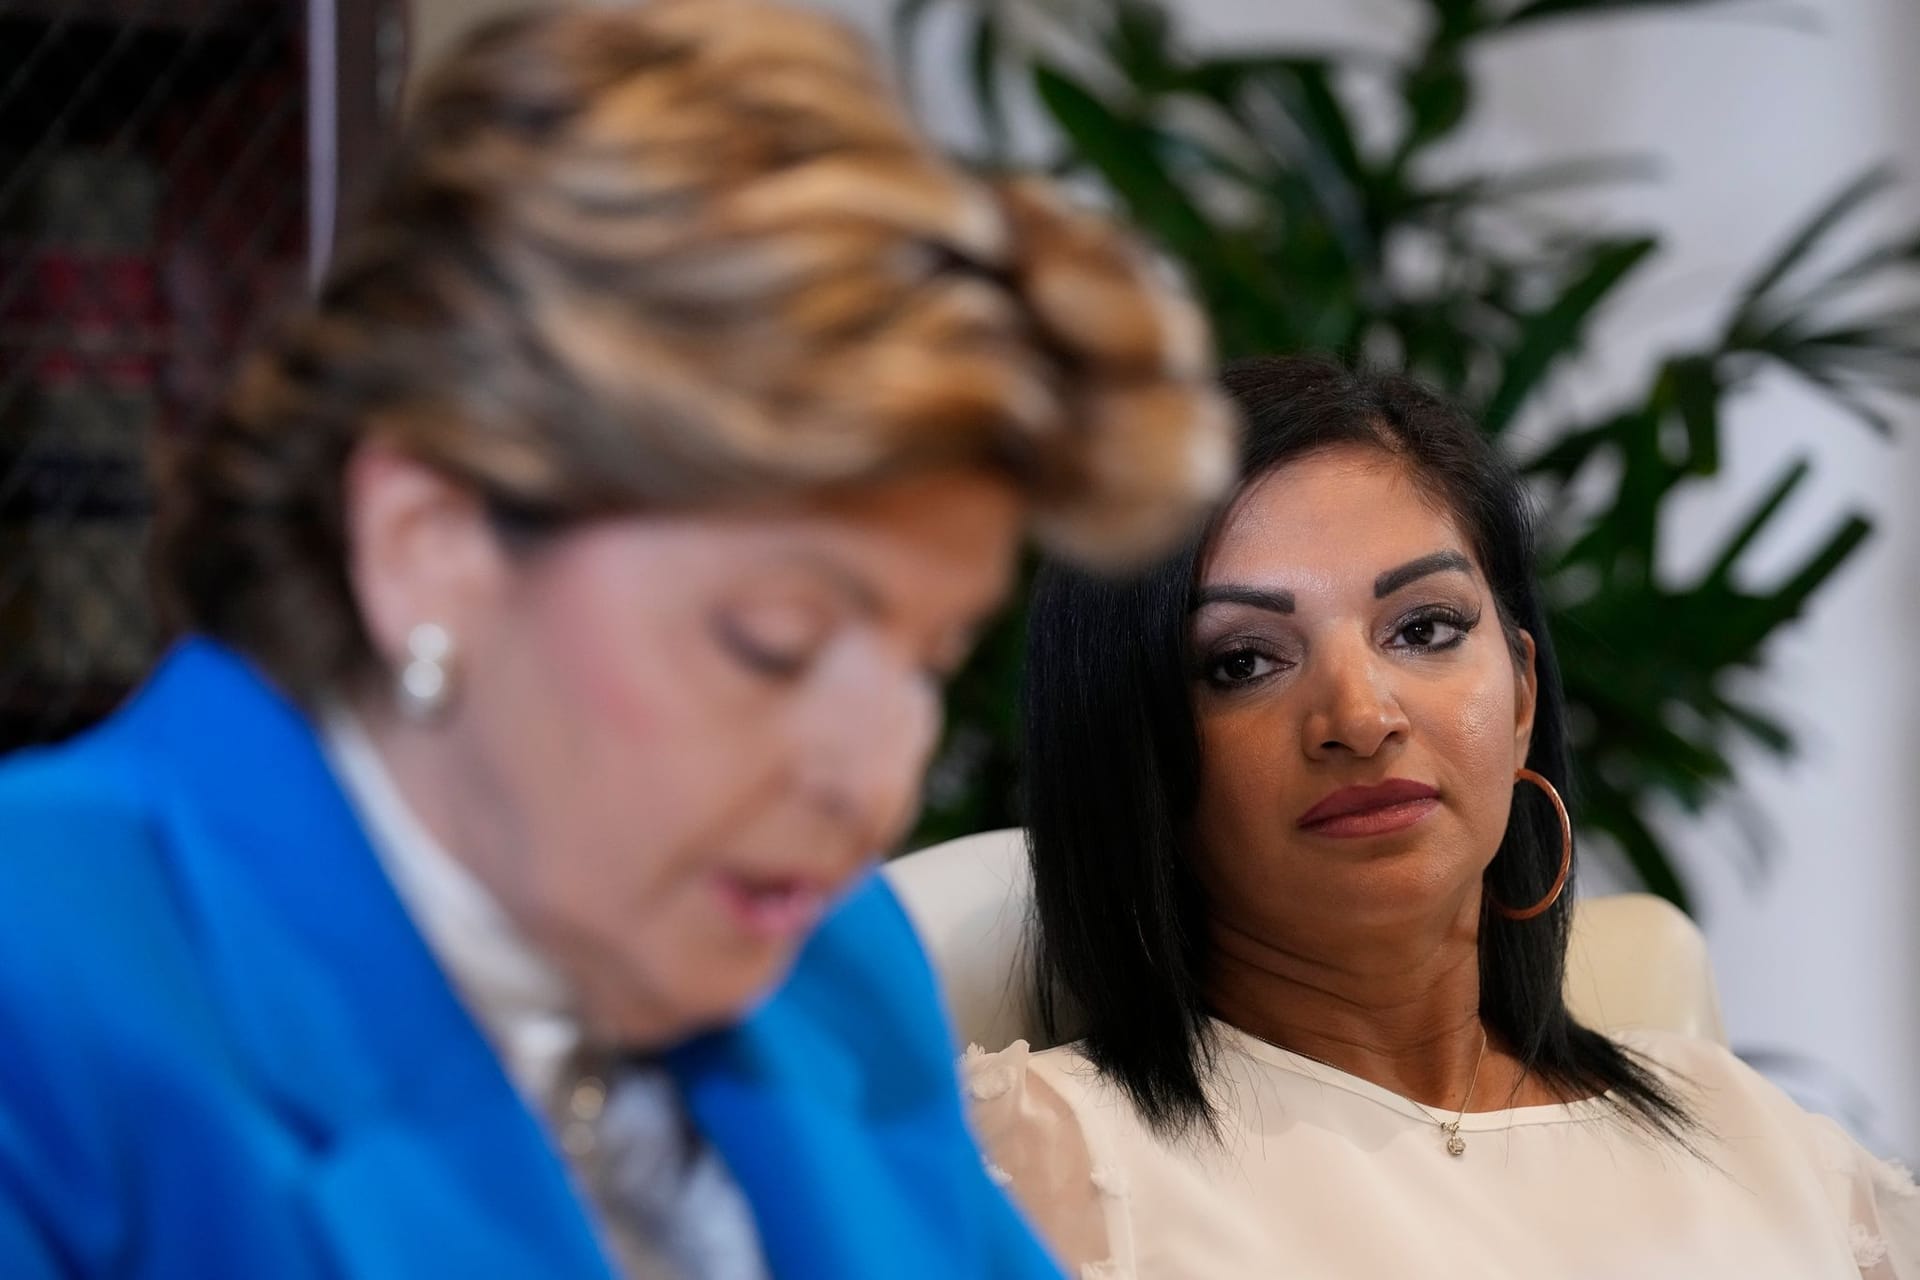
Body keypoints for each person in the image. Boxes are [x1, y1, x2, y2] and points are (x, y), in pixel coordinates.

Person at [0, 5, 1236, 1277]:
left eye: (928, 658)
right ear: (429, 541)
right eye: (774, 641)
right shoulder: (40, 978)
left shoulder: (836, 965)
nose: (873, 784)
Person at [965, 354, 1919, 1278]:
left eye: (1424, 629)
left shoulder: (1758, 1139)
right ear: (1132, 754)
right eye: (1242, 662)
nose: (1362, 718)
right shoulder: (1048, 1165)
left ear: (1518, 702)